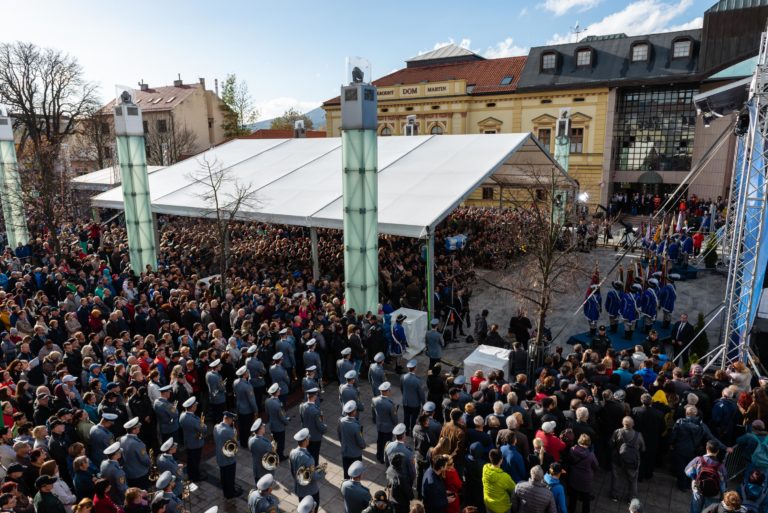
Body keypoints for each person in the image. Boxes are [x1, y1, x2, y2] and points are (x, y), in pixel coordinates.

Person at [671, 405, 725, 491]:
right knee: (691, 467)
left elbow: (673, 436)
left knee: (681, 468)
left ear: (686, 413)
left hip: (680, 449)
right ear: (696, 414)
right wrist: (725, 447)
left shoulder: (680, 422)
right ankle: (688, 484)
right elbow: (711, 438)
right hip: (693, 450)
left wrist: (671, 443)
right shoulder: (702, 425)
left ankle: (682, 485)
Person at [610, 416, 645, 503]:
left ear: (623, 423)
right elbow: (643, 449)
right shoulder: (638, 435)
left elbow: (611, 444)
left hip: (618, 459)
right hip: (632, 462)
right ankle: (631, 498)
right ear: (633, 424)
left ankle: (615, 496)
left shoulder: (617, 432)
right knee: (633, 480)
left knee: (616, 477)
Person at [686, 440, 728, 513]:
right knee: (709, 510)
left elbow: (687, 471)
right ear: (717, 451)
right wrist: (723, 495)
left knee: (695, 510)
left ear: (707, 448)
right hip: (712, 493)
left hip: (698, 489)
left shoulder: (698, 460)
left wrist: (696, 478)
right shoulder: (721, 467)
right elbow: (723, 484)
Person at [290, 428, 324, 505]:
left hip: (299, 489)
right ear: (305, 441)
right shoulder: (308, 459)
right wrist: (321, 472)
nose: (309, 440)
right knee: (314, 507)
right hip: (310, 490)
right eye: (308, 439)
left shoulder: (292, 452)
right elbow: (314, 477)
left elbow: (292, 471)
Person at [213, 411, 242, 499]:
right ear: (228, 419)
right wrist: (234, 431)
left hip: (219, 456)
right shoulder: (230, 431)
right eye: (232, 420)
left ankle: (225, 491)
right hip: (228, 458)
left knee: (223, 475)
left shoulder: (216, 427)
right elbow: (236, 444)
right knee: (230, 477)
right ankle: (230, 493)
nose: (232, 421)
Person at [568, 434, 598, 513]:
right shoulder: (591, 455)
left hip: (574, 476)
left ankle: (571, 510)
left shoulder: (572, 450)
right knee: (586, 501)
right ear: (589, 443)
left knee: (572, 498)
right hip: (586, 480)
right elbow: (596, 466)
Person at [178, 396, 206, 482]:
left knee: (190, 460)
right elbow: (203, 428)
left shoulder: (182, 415)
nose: (196, 406)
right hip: (195, 442)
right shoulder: (192, 419)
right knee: (195, 460)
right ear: (192, 407)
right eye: (195, 405)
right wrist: (203, 425)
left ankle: (191, 474)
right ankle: (196, 477)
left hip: (188, 441)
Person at [120, 417, 151, 489]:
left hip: (129, 473)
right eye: (138, 427)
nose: (139, 428)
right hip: (140, 474)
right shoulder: (137, 444)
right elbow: (145, 460)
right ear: (134, 430)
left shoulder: (122, 439)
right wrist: (150, 464)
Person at [339, 400, 366, 480]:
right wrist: (363, 446)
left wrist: (343, 444)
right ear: (354, 412)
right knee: (356, 474)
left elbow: (339, 434)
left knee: (346, 472)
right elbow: (360, 442)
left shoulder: (341, 421)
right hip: (355, 454)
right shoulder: (355, 426)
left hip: (345, 451)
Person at [483, 448, 516, 513]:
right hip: (502, 508)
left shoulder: (485, 468)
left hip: (488, 504)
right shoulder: (504, 477)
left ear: (490, 458)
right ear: (501, 460)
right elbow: (514, 488)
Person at [299, 388, 326, 465]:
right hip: (315, 437)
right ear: (314, 396)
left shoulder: (302, 406)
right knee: (315, 454)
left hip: (306, 435)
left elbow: (302, 420)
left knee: (308, 453)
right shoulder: (315, 411)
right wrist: (325, 428)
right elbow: (320, 425)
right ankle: (315, 468)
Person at [373, 382, 398, 464]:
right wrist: (395, 424)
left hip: (379, 425)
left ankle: (378, 455)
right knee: (387, 443)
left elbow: (374, 411)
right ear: (387, 391)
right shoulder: (390, 404)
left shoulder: (375, 400)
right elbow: (394, 418)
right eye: (389, 390)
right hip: (388, 427)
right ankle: (384, 458)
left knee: (379, 441)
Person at [234, 366, 258, 447]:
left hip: (239, 407)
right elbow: (252, 400)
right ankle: (246, 443)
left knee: (241, 426)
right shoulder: (247, 386)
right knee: (247, 427)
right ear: (244, 374)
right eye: (247, 372)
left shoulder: (235, 382)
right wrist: (256, 410)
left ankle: (242, 441)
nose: (248, 373)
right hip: (247, 409)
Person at [265, 383, 289, 460]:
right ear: (277, 392)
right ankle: (280, 456)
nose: (279, 391)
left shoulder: (267, 401)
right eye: (278, 390)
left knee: (274, 441)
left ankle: (274, 454)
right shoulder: (278, 404)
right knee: (281, 443)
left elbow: (267, 413)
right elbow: (282, 417)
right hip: (279, 427)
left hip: (272, 425)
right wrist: (287, 422)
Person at [401, 360, 425, 435]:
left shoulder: (402, 377)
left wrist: (404, 396)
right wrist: (423, 403)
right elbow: (421, 394)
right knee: (414, 419)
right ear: (415, 368)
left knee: (406, 418)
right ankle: (412, 432)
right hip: (415, 404)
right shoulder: (417, 380)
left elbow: (402, 388)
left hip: (405, 401)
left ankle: (406, 432)